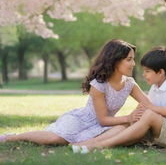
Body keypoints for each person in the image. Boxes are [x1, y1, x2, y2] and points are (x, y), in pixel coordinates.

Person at [0, 39, 150, 145]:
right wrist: (129, 117)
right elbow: (103, 119)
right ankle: (11, 137)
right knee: (56, 140)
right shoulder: (99, 84)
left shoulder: (129, 83)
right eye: (129, 59)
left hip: (104, 126)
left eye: (133, 59)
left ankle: (86, 145)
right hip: (82, 121)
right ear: (116, 60)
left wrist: (142, 112)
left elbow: (148, 104)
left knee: (122, 128)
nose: (133, 64)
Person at [73, 46, 166, 153]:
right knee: (130, 121)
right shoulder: (155, 88)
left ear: (160, 72)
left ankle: (101, 145)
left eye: (147, 71)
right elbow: (148, 107)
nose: (144, 74)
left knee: (149, 115)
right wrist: (135, 115)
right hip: (161, 130)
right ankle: (90, 142)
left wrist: (148, 109)